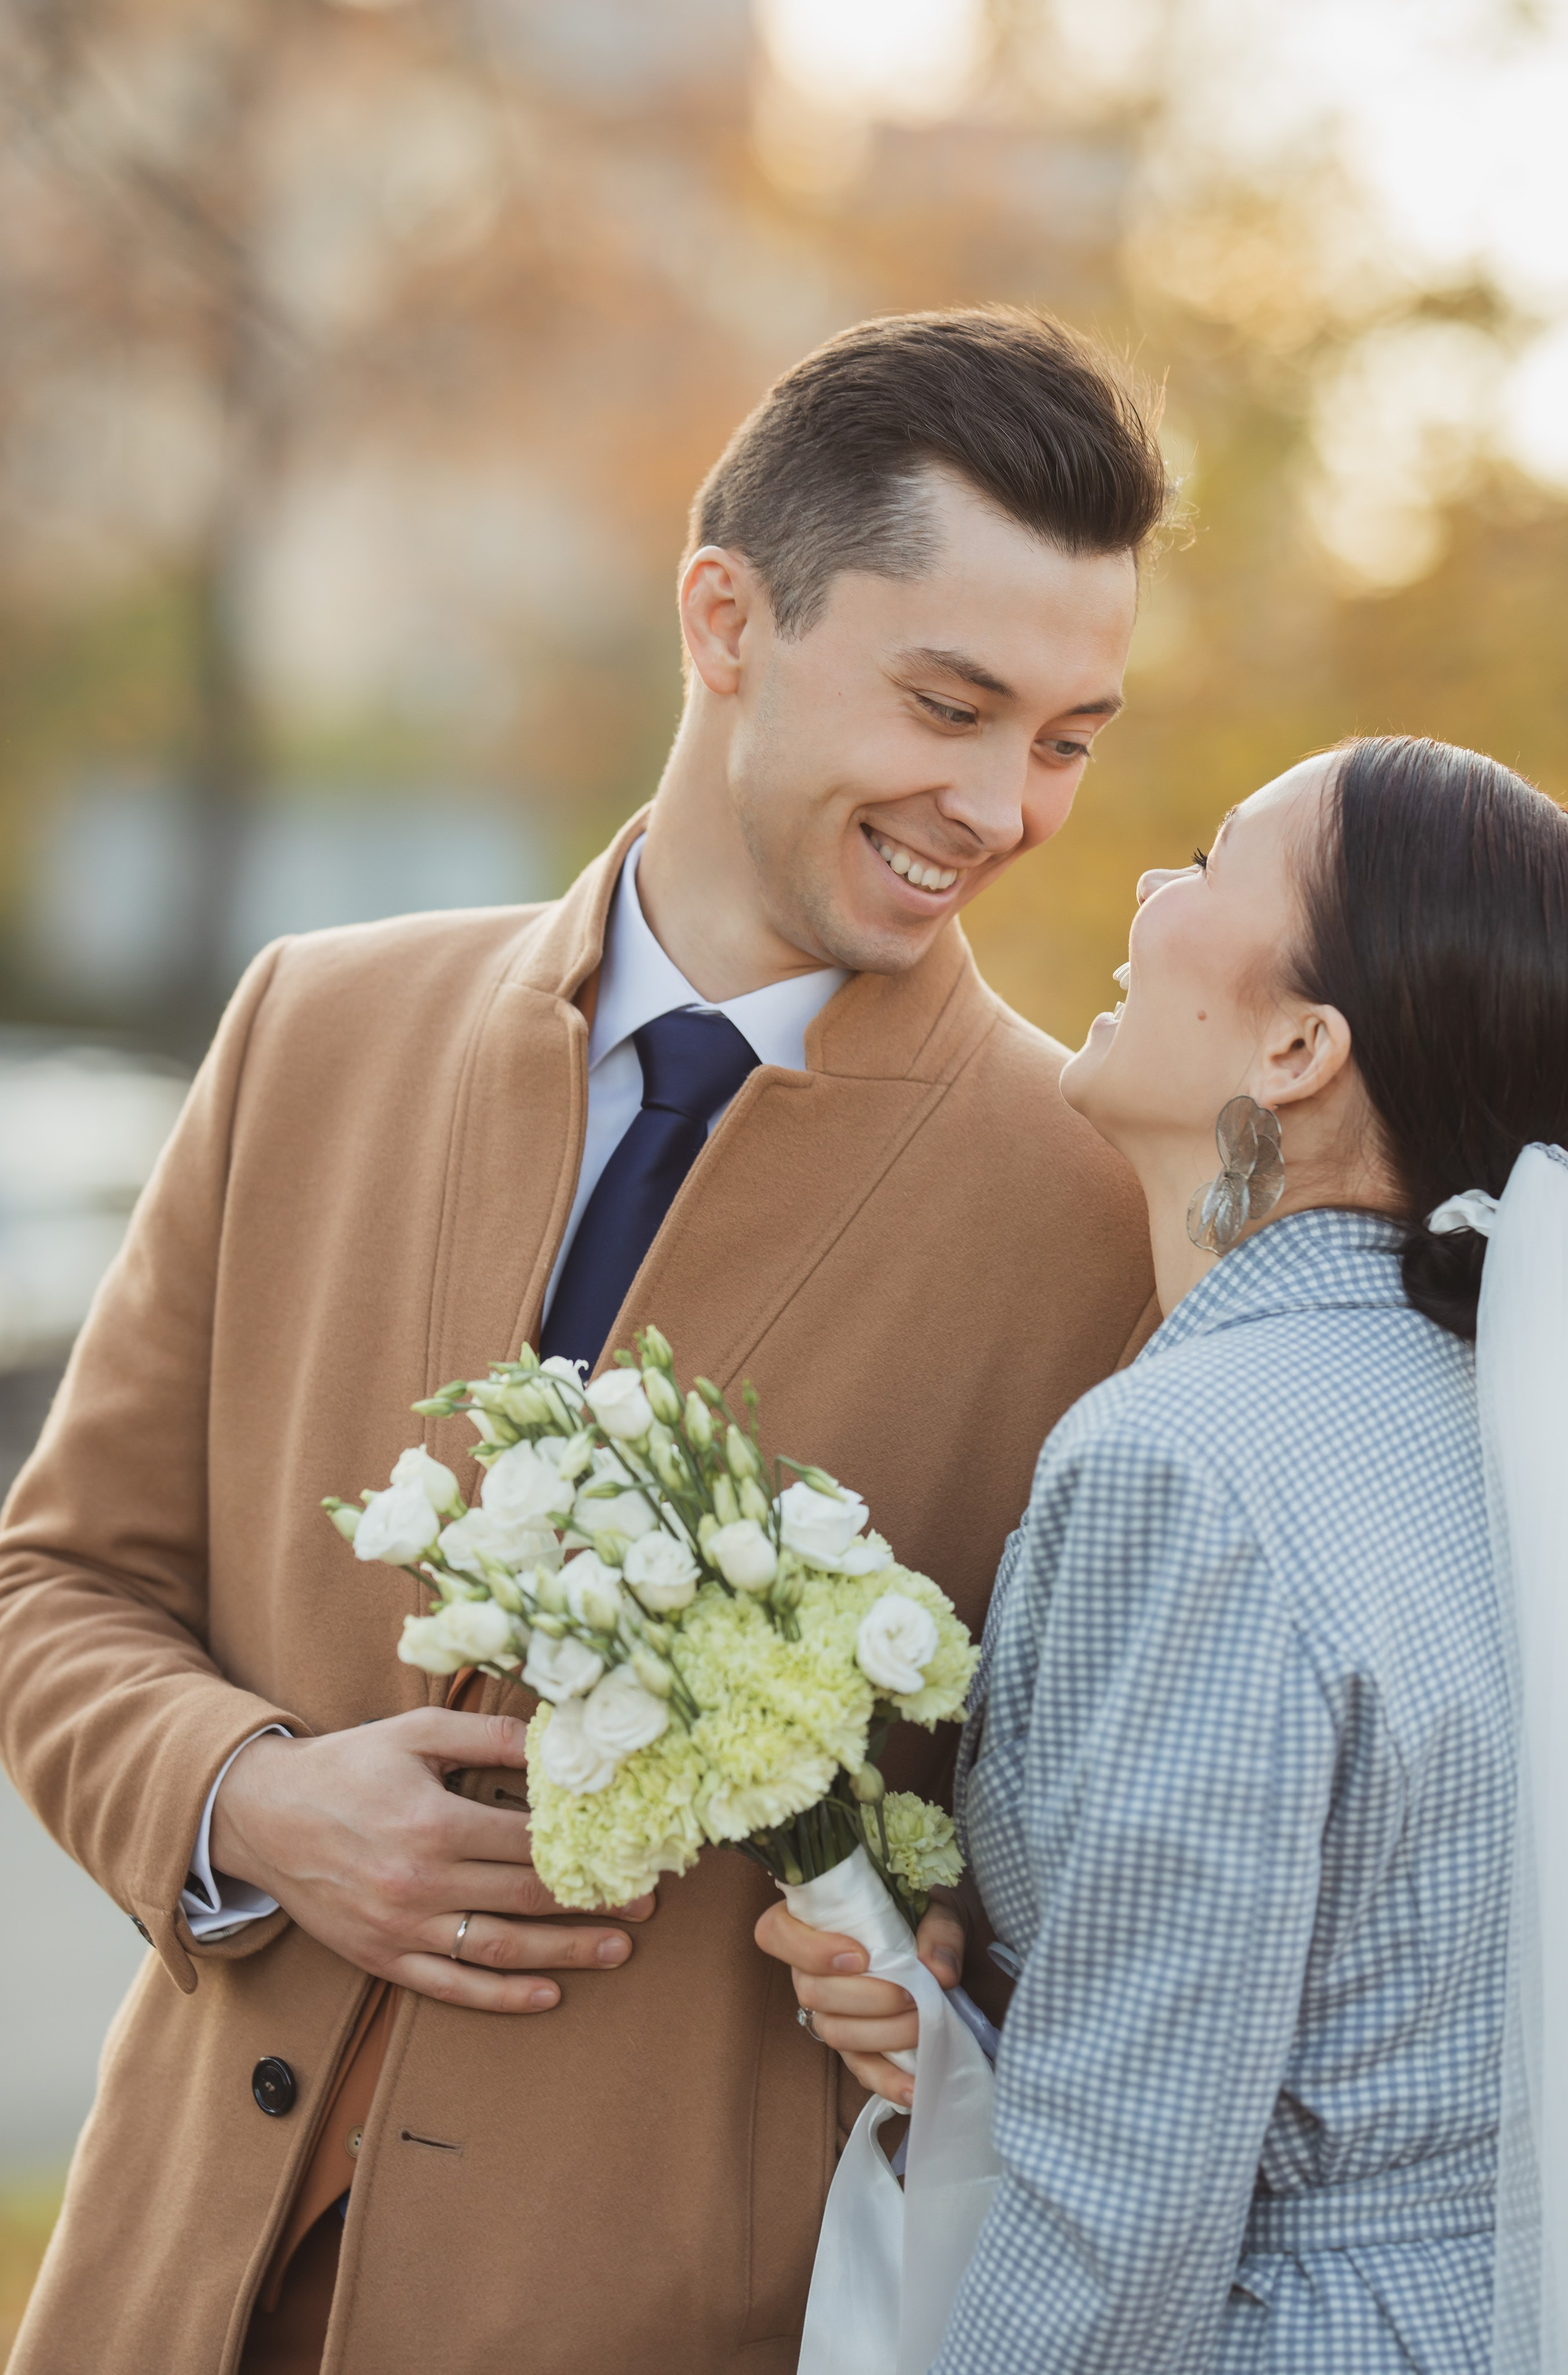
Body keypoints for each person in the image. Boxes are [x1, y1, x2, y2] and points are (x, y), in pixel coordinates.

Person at [0, 308, 1168, 2375]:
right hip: (164, 2293)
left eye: (1069, 738)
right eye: (951, 703)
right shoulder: (310, 1027)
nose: (1003, 806)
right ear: (727, 619)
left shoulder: (1101, 1224)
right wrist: (247, 1800)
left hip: (655, 2322)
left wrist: (950, 1980)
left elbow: (1090, 1885)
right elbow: (58, 1586)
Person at [760, 732, 1568, 2370]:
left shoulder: (1193, 1464)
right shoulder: (1480, 1420)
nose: (1146, 886)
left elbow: (1120, 2196)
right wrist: (977, 2023)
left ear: (1295, 1047)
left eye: (1208, 861)